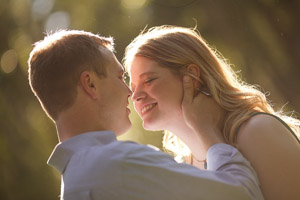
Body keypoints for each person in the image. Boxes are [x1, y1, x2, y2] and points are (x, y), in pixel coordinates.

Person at [27, 30, 264, 200]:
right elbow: (244, 194)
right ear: (90, 84)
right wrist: (208, 132)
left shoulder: (76, 180)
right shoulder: (119, 164)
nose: (130, 92)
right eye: (120, 77)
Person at [124, 25, 300, 200]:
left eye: (148, 80)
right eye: (133, 87)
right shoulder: (186, 165)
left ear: (192, 77)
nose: (136, 96)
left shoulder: (257, 131)